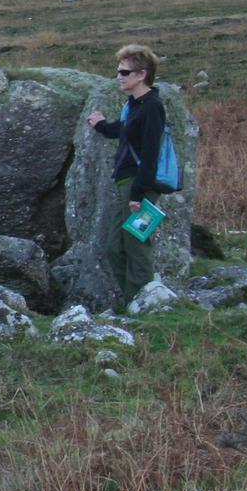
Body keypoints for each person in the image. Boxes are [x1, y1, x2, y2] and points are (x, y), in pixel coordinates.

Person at [86, 44, 167, 310]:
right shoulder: (135, 106)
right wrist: (101, 125)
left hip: (139, 186)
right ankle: (134, 300)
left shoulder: (152, 106)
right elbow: (123, 131)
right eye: (118, 71)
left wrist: (137, 193)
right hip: (127, 184)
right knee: (113, 247)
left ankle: (144, 303)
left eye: (124, 71)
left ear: (141, 74)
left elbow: (151, 152)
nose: (119, 76)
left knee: (136, 243)